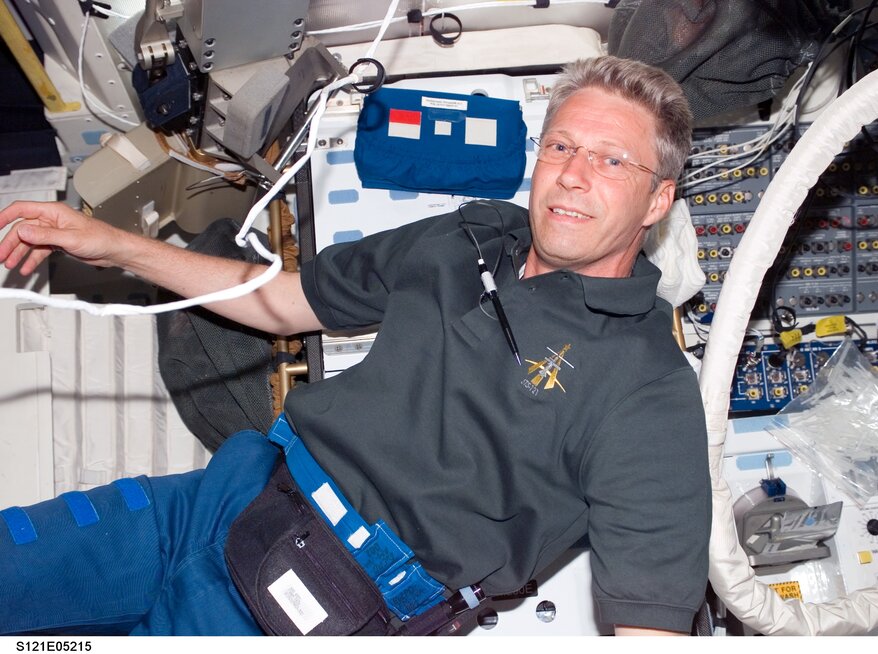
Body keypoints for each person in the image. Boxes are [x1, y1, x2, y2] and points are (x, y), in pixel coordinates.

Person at [0, 55, 710, 636]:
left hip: (316, 600)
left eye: (613, 161)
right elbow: (279, 301)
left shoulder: (649, 388)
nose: (574, 174)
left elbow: (651, 634)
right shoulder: (472, 233)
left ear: (657, 202)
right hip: (219, 501)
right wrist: (112, 246)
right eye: (562, 145)